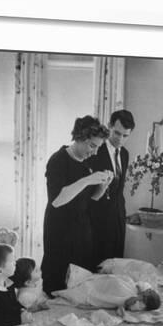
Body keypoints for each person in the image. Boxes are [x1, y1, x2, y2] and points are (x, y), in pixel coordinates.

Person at [41, 115, 113, 297]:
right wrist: (88, 180)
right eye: (92, 146)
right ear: (80, 138)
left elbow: (91, 199)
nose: (95, 152)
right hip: (60, 230)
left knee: (79, 283)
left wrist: (103, 186)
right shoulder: (58, 161)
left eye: (98, 147)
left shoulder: (87, 162)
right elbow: (57, 200)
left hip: (81, 229)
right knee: (57, 284)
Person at [87, 110, 135, 268]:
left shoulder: (125, 154)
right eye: (117, 133)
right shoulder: (94, 151)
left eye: (125, 136)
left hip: (118, 219)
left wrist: (123, 216)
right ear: (109, 127)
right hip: (97, 219)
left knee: (115, 266)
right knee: (97, 267)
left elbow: (119, 189)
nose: (120, 139)